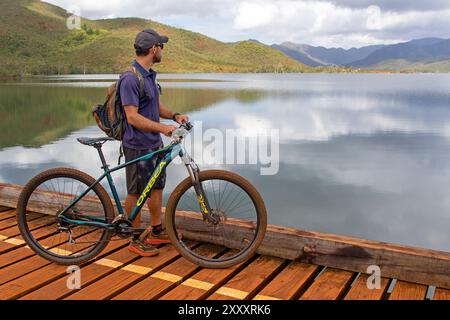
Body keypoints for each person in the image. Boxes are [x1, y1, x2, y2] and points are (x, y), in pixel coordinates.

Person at [118, 29, 189, 257]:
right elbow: (132, 116)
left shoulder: (148, 75)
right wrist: (164, 128)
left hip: (153, 143)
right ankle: (134, 237)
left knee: (156, 187)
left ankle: (156, 231)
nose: (162, 50)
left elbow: (154, 106)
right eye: (161, 46)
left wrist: (174, 116)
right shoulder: (130, 78)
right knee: (136, 192)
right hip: (137, 145)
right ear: (153, 49)